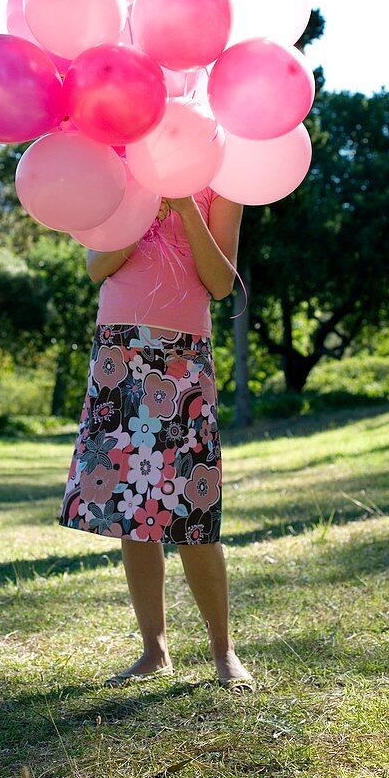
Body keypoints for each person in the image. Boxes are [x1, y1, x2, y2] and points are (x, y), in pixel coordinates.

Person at [57, 187, 256, 692]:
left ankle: (223, 652)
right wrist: (144, 211)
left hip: (183, 352)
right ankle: (154, 650)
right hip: (119, 347)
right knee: (131, 505)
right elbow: (96, 266)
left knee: (192, 507)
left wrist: (188, 207)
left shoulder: (222, 181)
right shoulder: (117, 175)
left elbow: (219, 283)